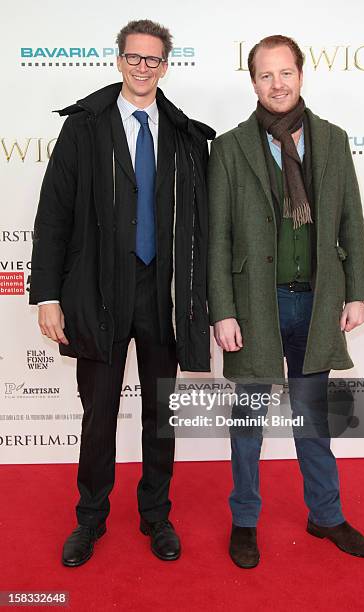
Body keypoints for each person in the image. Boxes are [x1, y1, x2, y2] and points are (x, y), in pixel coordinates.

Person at [30, 19, 215, 567]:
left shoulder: (183, 135)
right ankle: (90, 519)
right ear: (119, 61)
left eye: (153, 60)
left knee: (162, 413)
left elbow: (202, 225)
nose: (143, 68)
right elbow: (53, 216)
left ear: (165, 65)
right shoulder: (84, 128)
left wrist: (202, 300)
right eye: (134, 58)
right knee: (99, 414)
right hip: (98, 293)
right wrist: (47, 295)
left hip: (163, 292)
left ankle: (156, 516)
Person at [207, 35, 364, 568]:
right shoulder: (230, 147)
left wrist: (356, 291)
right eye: (265, 75)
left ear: (301, 75)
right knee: (248, 426)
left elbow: (351, 218)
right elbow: (219, 238)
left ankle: (325, 516)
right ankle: (245, 521)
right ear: (252, 81)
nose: (277, 84)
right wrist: (223, 309)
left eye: (285, 73)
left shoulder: (333, 140)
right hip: (256, 306)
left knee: (313, 421)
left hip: (315, 302)